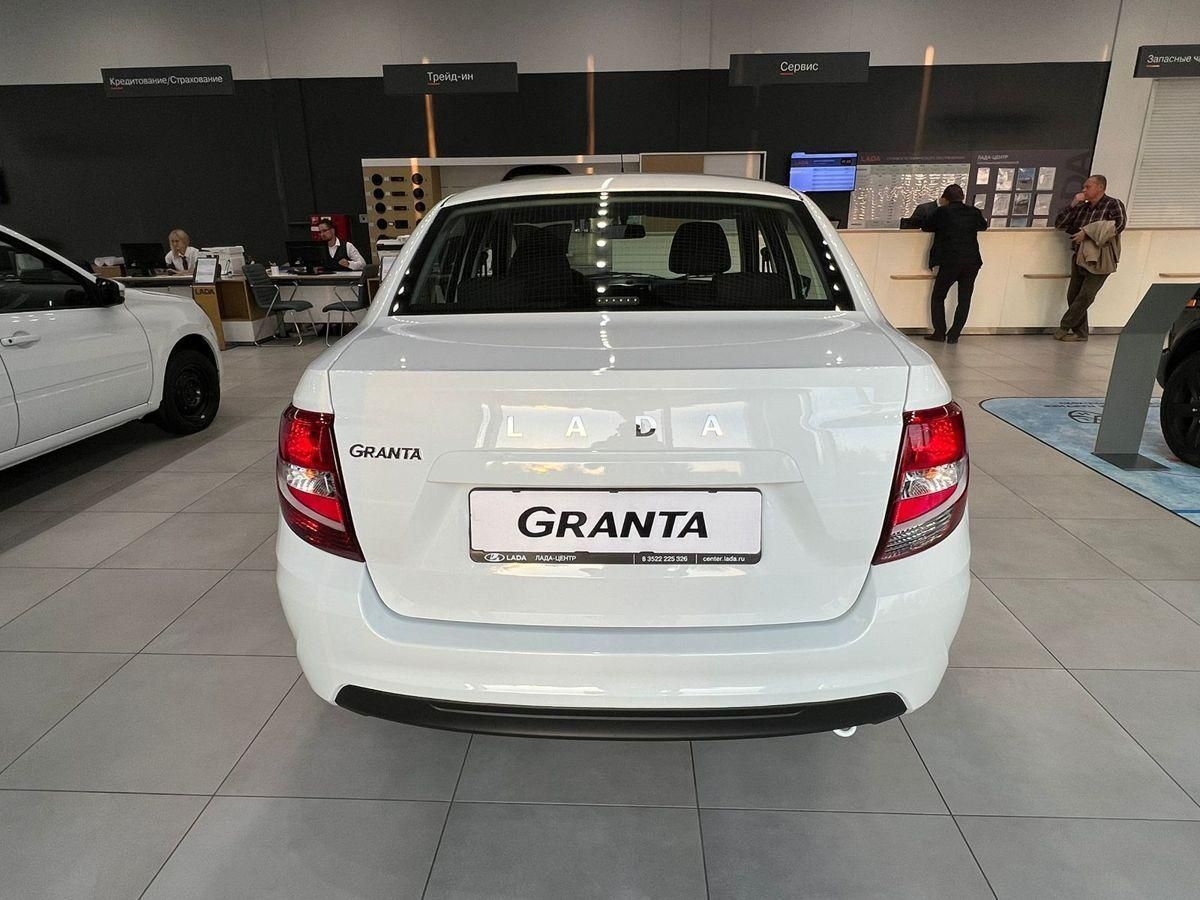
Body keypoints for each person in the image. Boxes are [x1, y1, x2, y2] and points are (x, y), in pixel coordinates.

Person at [1052, 174, 1126, 342]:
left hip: (1100, 257)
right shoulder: (1082, 207)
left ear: (1100, 187)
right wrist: (1073, 204)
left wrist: (1088, 232)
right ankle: (1081, 332)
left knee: (1086, 295)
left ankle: (1064, 326)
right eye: (1084, 187)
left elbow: (1118, 225)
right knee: (1073, 295)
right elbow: (1060, 224)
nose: (1084, 190)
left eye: (1088, 187)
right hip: (1080, 255)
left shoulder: (1113, 204)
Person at [921, 184, 987, 344]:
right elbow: (983, 226)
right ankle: (954, 335)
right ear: (962, 197)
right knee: (964, 300)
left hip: (950, 260)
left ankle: (939, 332)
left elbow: (926, 226)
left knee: (938, 296)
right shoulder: (974, 212)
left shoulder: (942, 212)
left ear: (945, 198)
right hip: (972, 261)